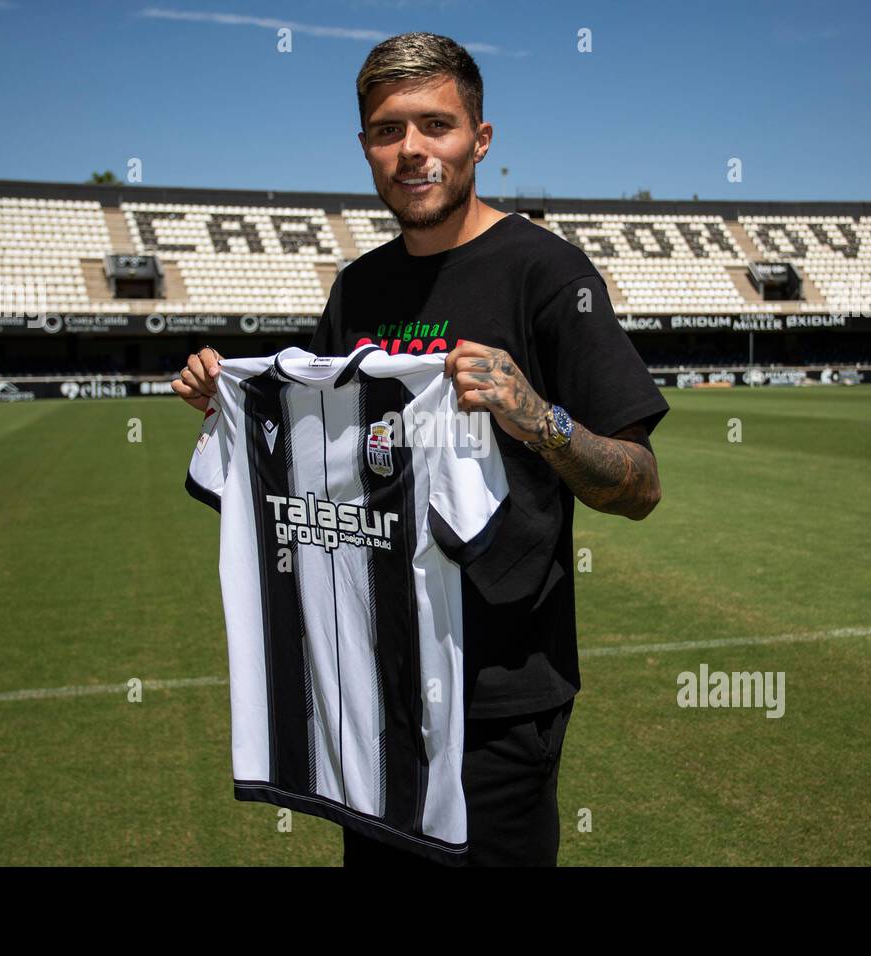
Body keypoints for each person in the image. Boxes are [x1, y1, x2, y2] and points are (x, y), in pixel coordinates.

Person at [172, 32, 668, 867]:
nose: (411, 151)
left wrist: (537, 417)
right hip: (373, 690)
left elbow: (640, 484)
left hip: (501, 699)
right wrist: (224, 402)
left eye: (435, 125)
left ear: (480, 138)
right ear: (364, 145)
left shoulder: (546, 274)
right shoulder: (357, 287)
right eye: (386, 130)